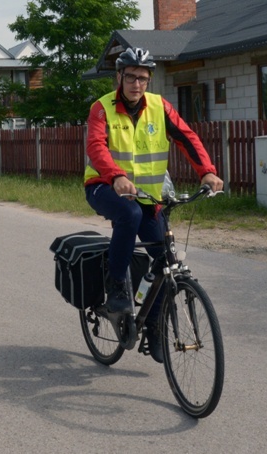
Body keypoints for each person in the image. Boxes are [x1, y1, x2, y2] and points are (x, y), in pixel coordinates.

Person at [84, 47, 223, 363]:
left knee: (164, 258)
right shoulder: (102, 108)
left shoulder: (160, 107)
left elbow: (187, 138)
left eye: (143, 78)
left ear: (149, 80)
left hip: (147, 195)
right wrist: (116, 176)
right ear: (119, 77)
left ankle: (155, 327)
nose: (136, 83)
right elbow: (96, 147)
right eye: (130, 76)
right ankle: (117, 284)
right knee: (129, 215)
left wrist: (208, 171)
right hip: (103, 186)